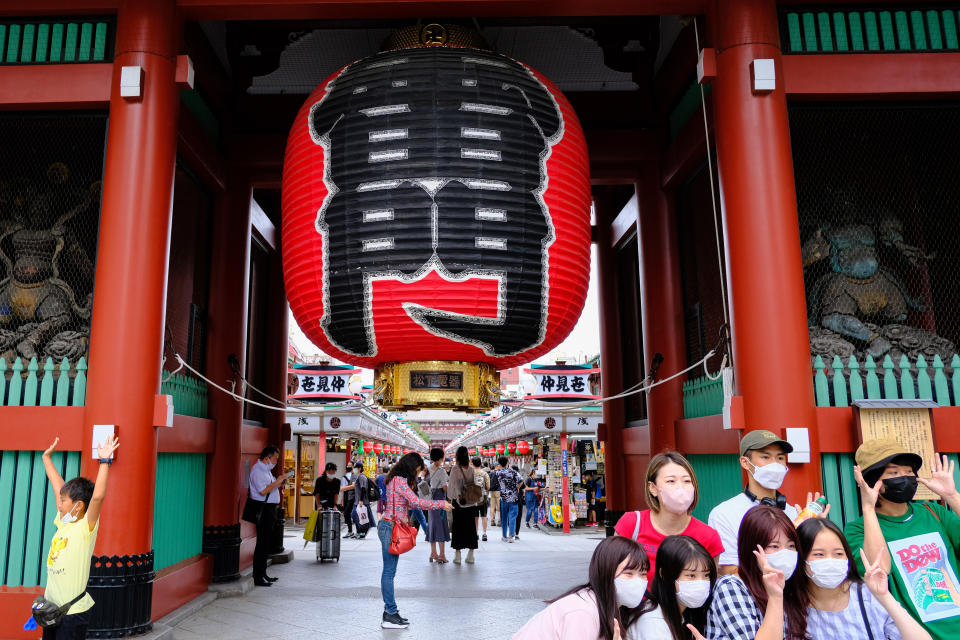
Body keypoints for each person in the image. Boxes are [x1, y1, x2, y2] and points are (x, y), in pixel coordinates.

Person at [845, 439, 960, 640]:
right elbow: (878, 569)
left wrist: (952, 496)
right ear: (873, 480)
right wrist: (868, 508)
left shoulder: (934, 512)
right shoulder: (858, 530)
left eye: (909, 472)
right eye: (894, 473)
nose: (905, 478)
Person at [708, 430, 826, 575]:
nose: (775, 464)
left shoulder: (794, 514)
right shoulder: (724, 513)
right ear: (745, 462)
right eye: (765, 457)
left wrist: (815, 531)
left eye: (780, 458)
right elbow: (729, 571)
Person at [797, 517, 931, 640]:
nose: (830, 560)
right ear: (800, 558)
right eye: (819, 554)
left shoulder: (868, 597)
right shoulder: (790, 607)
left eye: (838, 553)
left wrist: (884, 596)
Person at [39, 435, 118, 640]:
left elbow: (98, 497)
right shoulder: (63, 521)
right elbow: (58, 486)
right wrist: (46, 458)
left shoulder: (85, 527)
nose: (59, 503)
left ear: (79, 505)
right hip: (51, 609)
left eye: (63, 501)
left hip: (72, 613)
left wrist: (104, 462)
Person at [513, 535, 650, 640]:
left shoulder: (609, 606)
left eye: (643, 574)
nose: (638, 581)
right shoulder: (584, 612)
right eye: (628, 573)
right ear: (606, 571)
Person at [706, 505, 809, 640]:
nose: (785, 553)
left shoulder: (790, 588)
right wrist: (775, 596)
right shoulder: (730, 587)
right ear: (751, 549)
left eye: (791, 546)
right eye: (774, 546)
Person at [614, 452, 723, 578]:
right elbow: (612, 574)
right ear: (652, 488)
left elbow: (709, 586)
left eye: (687, 481)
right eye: (671, 481)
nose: (680, 487)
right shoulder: (631, 524)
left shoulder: (709, 537)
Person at [378, 452, 453, 629]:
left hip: (389, 526)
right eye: (418, 471)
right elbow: (415, 502)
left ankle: (390, 612)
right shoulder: (399, 481)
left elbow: (410, 504)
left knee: (390, 572)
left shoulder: (394, 479)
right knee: (389, 572)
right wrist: (440, 504)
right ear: (411, 467)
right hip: (390, 528)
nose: (418, 474)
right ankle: (390, 613)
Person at [630, 535, 718, 640]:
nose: (701, 582)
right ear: (664, 574)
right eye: (691, 575)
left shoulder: (684, 613)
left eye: (706, 575)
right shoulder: (653, 621)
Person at [248, 445, 290, 587]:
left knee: (266, 543)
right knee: (262, 543)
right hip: (264, 509)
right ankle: (258, 576)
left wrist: (280, 482)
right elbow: (263, 491)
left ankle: (263, 574)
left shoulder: (266, 470)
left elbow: (270, 487)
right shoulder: (258, 470)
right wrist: (278, 481)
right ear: (267, 457)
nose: (276, 461)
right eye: (275, 458)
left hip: (270, 509)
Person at [448, 446, 481, 564]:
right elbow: (475, 484)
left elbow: (451, 486)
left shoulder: (455, 469)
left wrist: (450, 498)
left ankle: (458, 556)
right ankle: (471, 556)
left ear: (457, 456)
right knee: (471, 528)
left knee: (458, 529)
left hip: (459, 503)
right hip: (471, 503)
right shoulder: (471, 469)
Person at [425, 447, 451, 563]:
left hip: (429, 500)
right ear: (441, 458)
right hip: (439, 499)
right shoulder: (441, 471)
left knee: (432, 524)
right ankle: (442, 555)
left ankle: (433, 553)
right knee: (440, 524)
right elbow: (445, 487)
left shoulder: (427, 469)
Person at [492, 457, 524, 542]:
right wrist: (517, 488)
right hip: (513, 498)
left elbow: (499, 483)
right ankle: (511, 536)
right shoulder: (513, 472)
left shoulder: (497, 473)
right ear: (507, 463)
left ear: (499, 463)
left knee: (504, 517)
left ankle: (504, 536)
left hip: (503, 498)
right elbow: (521, 480)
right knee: (512, 517)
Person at [350, 461, 375, 539]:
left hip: (361, 502)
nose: (354, 469)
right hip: (359, 501)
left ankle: (362, 533)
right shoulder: (360, 476)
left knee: (358, 516)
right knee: (361, 517)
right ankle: (361, 533)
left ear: (359, 468)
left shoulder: (362, 477)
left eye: (355, 468)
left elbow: (363, 488)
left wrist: (361, 500)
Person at [473, 457, 491, 541]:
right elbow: (488, 487)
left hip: (473, 499)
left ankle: (475, 534)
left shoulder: (470, 473)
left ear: (472, 464)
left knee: (475, 516)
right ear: (481, 464)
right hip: (483, 498)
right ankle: (484, 534)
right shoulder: (485, 474)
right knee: (484, 516)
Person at [341, 464, 357, 538]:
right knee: (350, 513)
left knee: (348, 513)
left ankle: (353, 531)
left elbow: (353, 486)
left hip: (353, 497)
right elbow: (349, 484)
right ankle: (352, 531)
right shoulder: (353, 475)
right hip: (351, 497)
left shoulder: (354, 475)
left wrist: (343, 488)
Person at [489, 458, 502, 527]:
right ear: (497, 466)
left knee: (492, 506)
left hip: (492, 491)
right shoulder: (499, 473)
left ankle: (492, 521)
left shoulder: (491, 473)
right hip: (498, 491)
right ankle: (499, 521)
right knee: (499, 507)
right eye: (499, 465)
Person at [514, 464, 525, 539]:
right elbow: (524, 490)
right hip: (519, 500)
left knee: (512, 516)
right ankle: (516, 533)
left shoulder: (510, 478)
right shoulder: (520, 479)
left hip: (511, 500)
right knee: (518, 516)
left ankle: (511, 532)